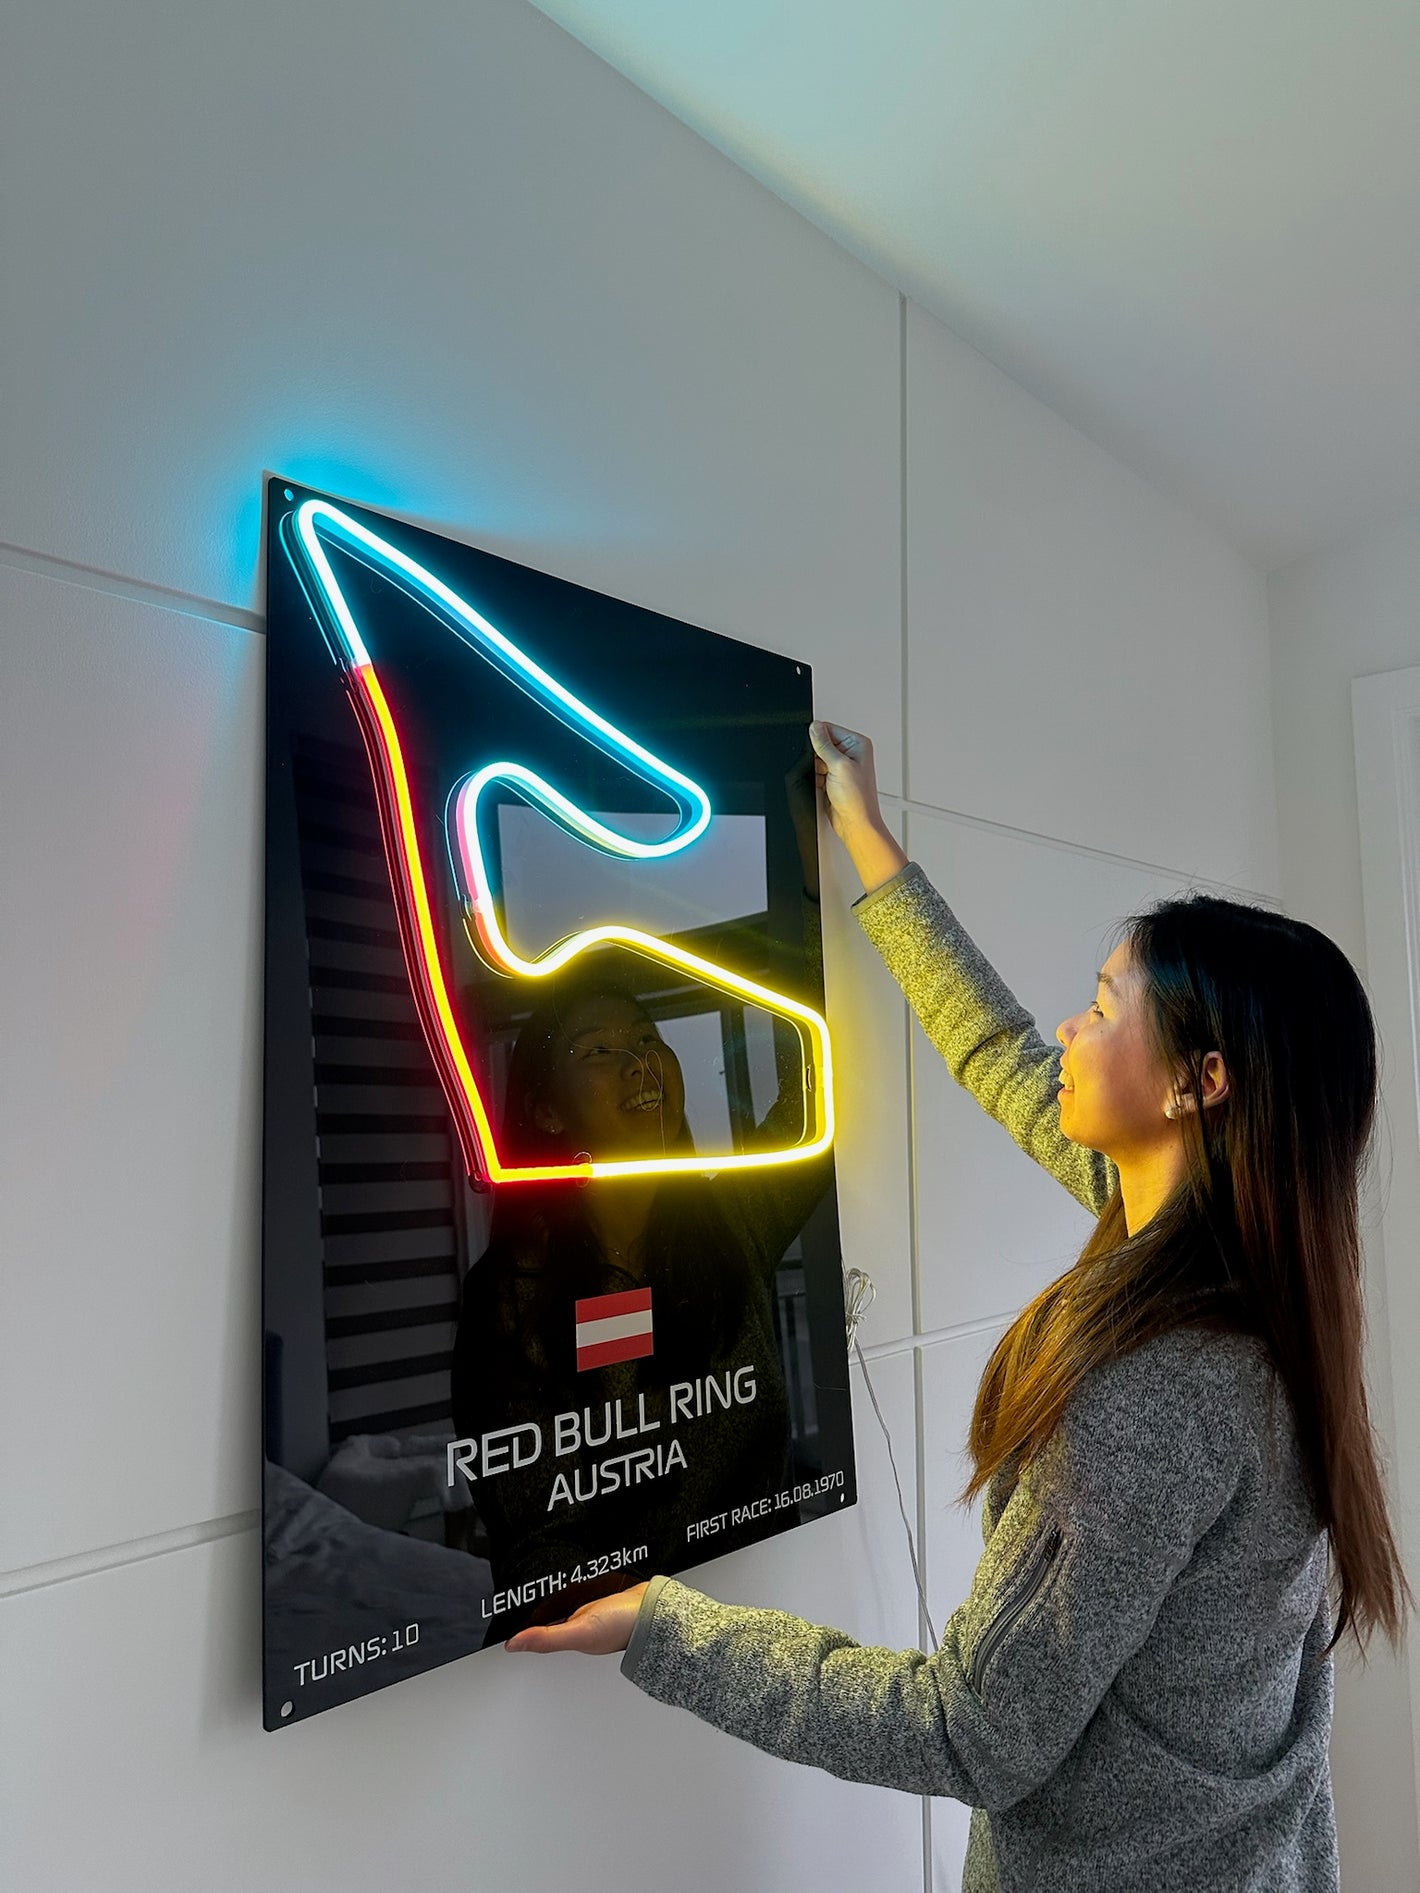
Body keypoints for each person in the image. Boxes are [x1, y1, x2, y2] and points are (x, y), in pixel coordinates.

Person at [505, 719, 1412, 1893]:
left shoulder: (1155, 1393)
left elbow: (965, 1731)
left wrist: (662, 1627)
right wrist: (870, 845)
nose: (1070, 1031)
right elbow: (997, 1051)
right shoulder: (1252, 1262)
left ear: (1199, 1081)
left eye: (1102, 1004)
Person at [450, 957, 834, 1637]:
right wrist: (661, 1628)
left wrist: (807, 899)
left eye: (648, 1038)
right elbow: (539, 1538)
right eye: (599, 1049)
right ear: (545, 1108)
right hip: (605, 1660)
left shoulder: (731, 1226)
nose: (638, 1061)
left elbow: (814, 1095)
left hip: (760, 1623)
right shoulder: (511, 1298)